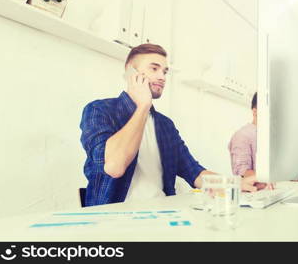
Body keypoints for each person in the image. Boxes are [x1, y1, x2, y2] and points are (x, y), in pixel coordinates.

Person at [80, 43, 259, 207]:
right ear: (130, 72)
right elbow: (114, 167)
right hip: (113, 221)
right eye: (154, 68)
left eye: (165, 71)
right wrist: (143, 106)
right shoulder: (99, 111)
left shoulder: (165, 125)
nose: (162, 77)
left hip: (161, 214)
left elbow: (194, 173)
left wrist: (237, 184)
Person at [228, 92, 298, 182]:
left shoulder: (277, 136)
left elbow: (287, 169)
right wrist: (291, 177)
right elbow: (242, 173)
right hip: (259, 195)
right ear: (255, 112)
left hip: (280, 192)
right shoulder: (242, 136)